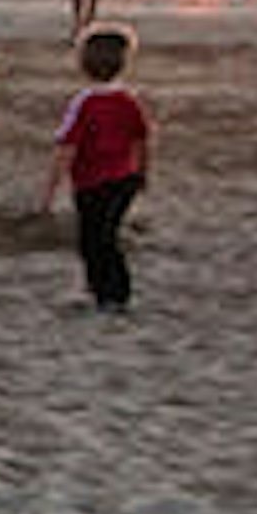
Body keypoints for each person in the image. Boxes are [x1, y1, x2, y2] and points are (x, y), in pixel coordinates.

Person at [38, 22, 154, 314]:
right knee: (107, 236)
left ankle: (108, 292)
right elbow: (142, 139)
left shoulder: (84, 103)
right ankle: (111, 291)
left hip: (92, 183)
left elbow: (67, 146)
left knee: (93, 239)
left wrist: (50, 189)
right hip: (123, 179)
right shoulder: (129, 101)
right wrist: (142, 174)